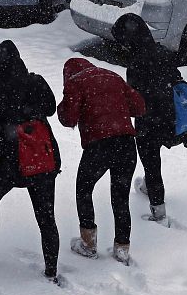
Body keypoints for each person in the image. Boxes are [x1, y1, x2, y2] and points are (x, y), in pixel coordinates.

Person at [0, 40, 62, 284]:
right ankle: (51, 269)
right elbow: (51, 109)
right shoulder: (35, 81)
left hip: (10, 162)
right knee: (46, 217)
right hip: (42, 160)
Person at [57, 58, 145, 265]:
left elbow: (68, 119)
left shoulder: (75, 82)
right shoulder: (112, 76)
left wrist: (66, 103)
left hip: (99, 145)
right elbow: (139, 106)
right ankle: (122, 248)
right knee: (120, 197)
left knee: (84, 190)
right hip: (126, 144)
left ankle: (88, 244)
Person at [111, 14, 182, 222]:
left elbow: (135, 100)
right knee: (153, 161)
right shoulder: (163, 53)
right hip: (170, 118)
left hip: (149, 122)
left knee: (152, 164)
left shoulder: (135, 64)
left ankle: (159, 214)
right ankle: (145, 187)